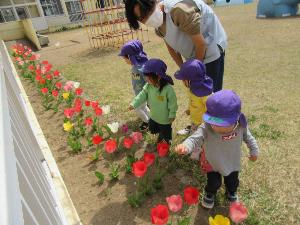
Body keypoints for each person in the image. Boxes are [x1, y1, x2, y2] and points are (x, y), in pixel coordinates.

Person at [124, 0, 227, 134]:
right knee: (195, 93)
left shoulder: (179, 11)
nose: (147, 18)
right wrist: (184, 70)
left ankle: (214, 132)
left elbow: (201, 44)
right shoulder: (159, 26)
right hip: (194, 55)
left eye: (147, 12)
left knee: (209, 96)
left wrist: (194, 73)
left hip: (211, 50)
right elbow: (172, 49)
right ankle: (197, 127)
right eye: (141, 18)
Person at [175, 90, 259, 209]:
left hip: (232, 161)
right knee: (213, 183)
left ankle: (231, 193)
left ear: (235, 119)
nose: (215, 126)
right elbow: (194, 138)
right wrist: (186, 146)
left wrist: (254, 151)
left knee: (233, 182)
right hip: (212, 162)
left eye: (221, 123)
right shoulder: (207, 127)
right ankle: (210, 193)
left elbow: (249, 139)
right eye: (212, 121)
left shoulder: (241, 126)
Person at [128, 59, 178, 143]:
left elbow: (173, 104)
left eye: (149, 77)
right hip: (154, 116)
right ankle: (160, 135)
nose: (146, 79)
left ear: (158, 76)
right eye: (146, 77)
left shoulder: (168, 89)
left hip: (165, 119)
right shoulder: (148, 86)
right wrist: (134, 104)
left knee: (165, 131)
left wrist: (172, 114)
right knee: (154, 128)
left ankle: (166, 139)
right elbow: (142, 95)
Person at [174, 59, 213, 136]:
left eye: (183, 80)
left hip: (202, 124)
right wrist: (189, 109)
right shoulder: (192, 89)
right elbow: (192, 100)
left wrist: (208, 125)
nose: (182, 82)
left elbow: (210, 111)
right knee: (193, 133)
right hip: (195, 120)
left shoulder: (205, 95)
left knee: (198, 140)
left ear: (190, 80)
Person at [119, 40, 150, 131]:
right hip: (138, 93)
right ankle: (150, 120)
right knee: (143, 107)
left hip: (142, 94)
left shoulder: (140, 68)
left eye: (124, 58)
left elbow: (149, 82)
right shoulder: (135, 66)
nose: (124, 60)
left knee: (137, 108)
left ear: (130, 57)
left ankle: (147, 122)